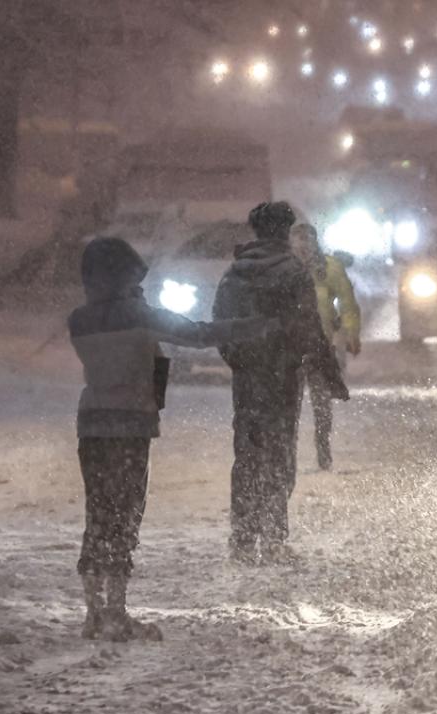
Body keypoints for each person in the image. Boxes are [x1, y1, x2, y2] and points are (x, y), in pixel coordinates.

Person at [69, 237, 269, 641]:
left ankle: (93, 614)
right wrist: (256, 325)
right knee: (125, 516)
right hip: (130, 427)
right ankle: (116, 612)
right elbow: (199, 334)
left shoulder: (79, 319)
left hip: (92, 426)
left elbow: (121, 345)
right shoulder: (139, 315)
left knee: (98, 514)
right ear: (123, 276)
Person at [213, 202, 349, 565]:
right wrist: (330, 374)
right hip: (283, 378)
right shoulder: (293, 273)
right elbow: (310, 329)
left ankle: (243, 541)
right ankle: (273, 539)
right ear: (284, 232)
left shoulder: (234, 273)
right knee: (279, 456)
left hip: (248, 380)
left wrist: (239, 360)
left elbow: (219, 325)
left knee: (247, 457)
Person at [291, 223, 361, 471]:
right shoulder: (283, 269)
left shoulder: (330, 268)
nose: (303, 247)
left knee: (322, 403)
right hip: (289, 349)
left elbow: (347, 303)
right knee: (290, 404)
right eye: (298, 241)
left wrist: (351, 332)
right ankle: (287, 451)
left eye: (307, 241)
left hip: (320, 346)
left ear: (314, 242)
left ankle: (323, 447)